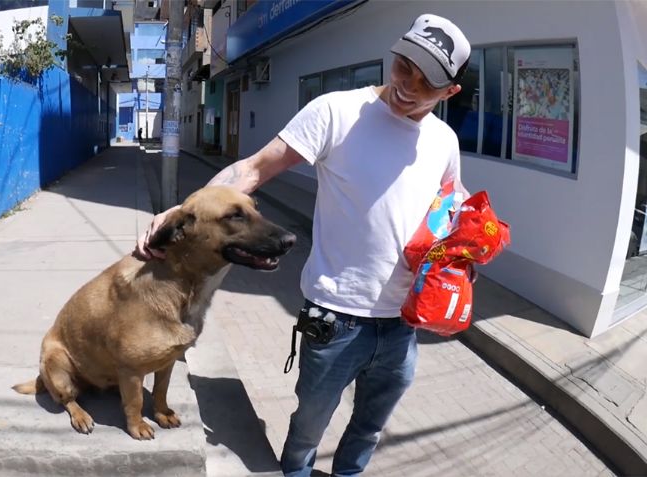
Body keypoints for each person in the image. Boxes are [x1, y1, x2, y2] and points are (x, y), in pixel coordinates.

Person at [136, 13, 471, 476]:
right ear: (393, 54)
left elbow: (451, 203)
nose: (407, 85)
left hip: (403, 322)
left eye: (426, 82)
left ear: (449, 92)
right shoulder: (337, 112)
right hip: (336, 319)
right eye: (402, 66)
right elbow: (251, 170)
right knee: (310, 427)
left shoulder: (444, 141)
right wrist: (181, 214)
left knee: (370, 428)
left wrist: (467, 242)